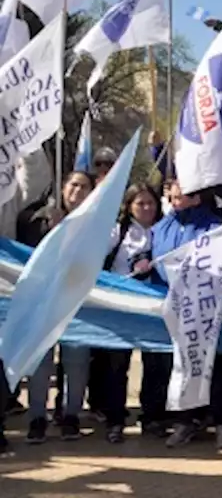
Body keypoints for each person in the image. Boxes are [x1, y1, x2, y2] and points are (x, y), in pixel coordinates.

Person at [16, 172, 96, 443]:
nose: (78, 191)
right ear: (63, 187)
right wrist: (50, 231)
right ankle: (37, 417)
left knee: (76, 362)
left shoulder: (97, 219)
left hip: (77, 305)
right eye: (74, 185)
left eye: (85, 186)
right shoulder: (36, 217)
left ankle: (71, 415)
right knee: (40, 362)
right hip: (42, 303)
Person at [153, 184, 222, 449]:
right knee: (177, 367)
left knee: (213, 366)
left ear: (196, 197)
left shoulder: (214, 225)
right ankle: (185, 422)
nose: (175, 201)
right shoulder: (162, 225)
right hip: (174, 306)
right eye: (171, 197)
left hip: (205, 306)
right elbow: (157, 258)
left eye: (180, 196)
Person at [97, 184, 161, 444]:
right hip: (121, 307)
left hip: (154, 308)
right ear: (129, 206)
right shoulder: (118, 231)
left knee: (155, 365)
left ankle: (153, 416)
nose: (146, 208)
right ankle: (115, 419)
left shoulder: (163, 230)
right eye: (140, 203)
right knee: (117, 366)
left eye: (150, 203)